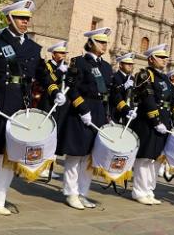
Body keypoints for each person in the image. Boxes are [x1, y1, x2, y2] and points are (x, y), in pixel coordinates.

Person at [0, 0, 66, 216]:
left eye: (27, 19)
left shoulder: (32, 47)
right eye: (21, 18)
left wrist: (54, 90)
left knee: (9, 154)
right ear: (9, 19)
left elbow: (43, 73)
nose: (25, 22)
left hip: (19, 107)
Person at [57, 27, 115, 210]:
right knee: (76, 154)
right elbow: (72, 89)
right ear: (91, 43)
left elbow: (107, 93)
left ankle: (82, 192)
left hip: (98, 111)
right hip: (81, 111)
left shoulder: (106, 67)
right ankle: (70, 192)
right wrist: (82, 109)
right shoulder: (79, 63)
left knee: (90, 155)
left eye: (106, 42)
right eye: (101, 42)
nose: (104, 46)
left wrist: (108, 116)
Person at [130, 44, 174, 205]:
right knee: (144, 158)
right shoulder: (145, 75)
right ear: (151, 59)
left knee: (156, 158)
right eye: (161, 57)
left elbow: (172, 102)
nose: (165, 60)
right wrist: (156, 121)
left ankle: (149, 190)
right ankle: (139, 191)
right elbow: (148, 101)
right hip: (148, 122)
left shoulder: (164, 78)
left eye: (165, 58)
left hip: (164, 122)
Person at [110, 52, 136, 123]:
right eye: (128, 64)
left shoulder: (132, 79)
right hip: (116, 113)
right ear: (121, 65)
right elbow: (113, 94)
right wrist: (124, 86)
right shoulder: (114, 77)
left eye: (131, 64)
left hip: (129, 114)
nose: (130, 66)